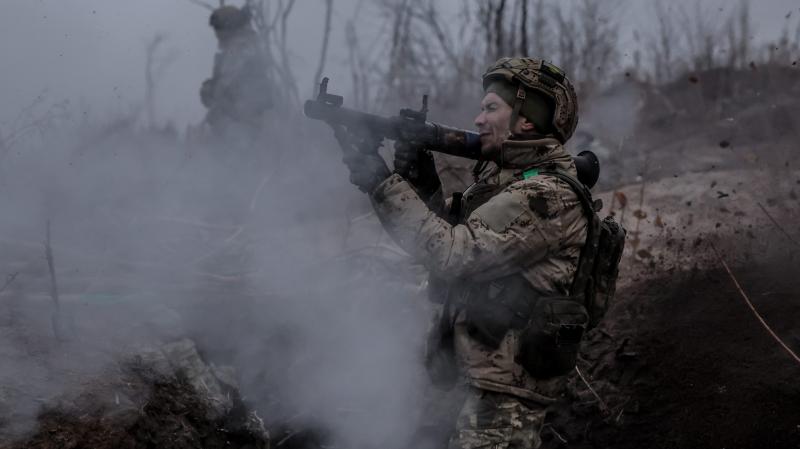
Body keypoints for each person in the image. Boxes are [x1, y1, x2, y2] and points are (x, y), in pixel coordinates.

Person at [336, 57, 588, 449]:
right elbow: (453, 241)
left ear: (527, 120)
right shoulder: (502, 181)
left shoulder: (547, 196)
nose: (478, 119)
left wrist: (382, 183)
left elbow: (453, 254)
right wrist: (419, 180)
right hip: (461, 374)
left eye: (491, 108)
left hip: (502, 396)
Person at [200, 5, 274, 141]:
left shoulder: (241, 49)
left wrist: (209, 89)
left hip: (242, 125)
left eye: (218, 28)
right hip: (241, 122)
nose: (216, 34)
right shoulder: (243, 47)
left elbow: (223, 88)